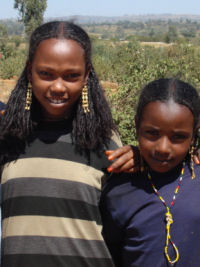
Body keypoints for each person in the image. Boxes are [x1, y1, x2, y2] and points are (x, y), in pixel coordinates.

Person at [0, 20, 134, 267]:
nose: (58, 87)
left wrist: (144, 158)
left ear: (86, 75)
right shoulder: (7, 136)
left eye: (71, 76)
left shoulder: (104, 140)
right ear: (30, 71)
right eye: (46, 74)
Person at [100, 78, 200, 267]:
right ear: (137, 125)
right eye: (152, 133)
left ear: (194, 134)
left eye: (178, 137)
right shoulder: (120, 188)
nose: (163, 148)